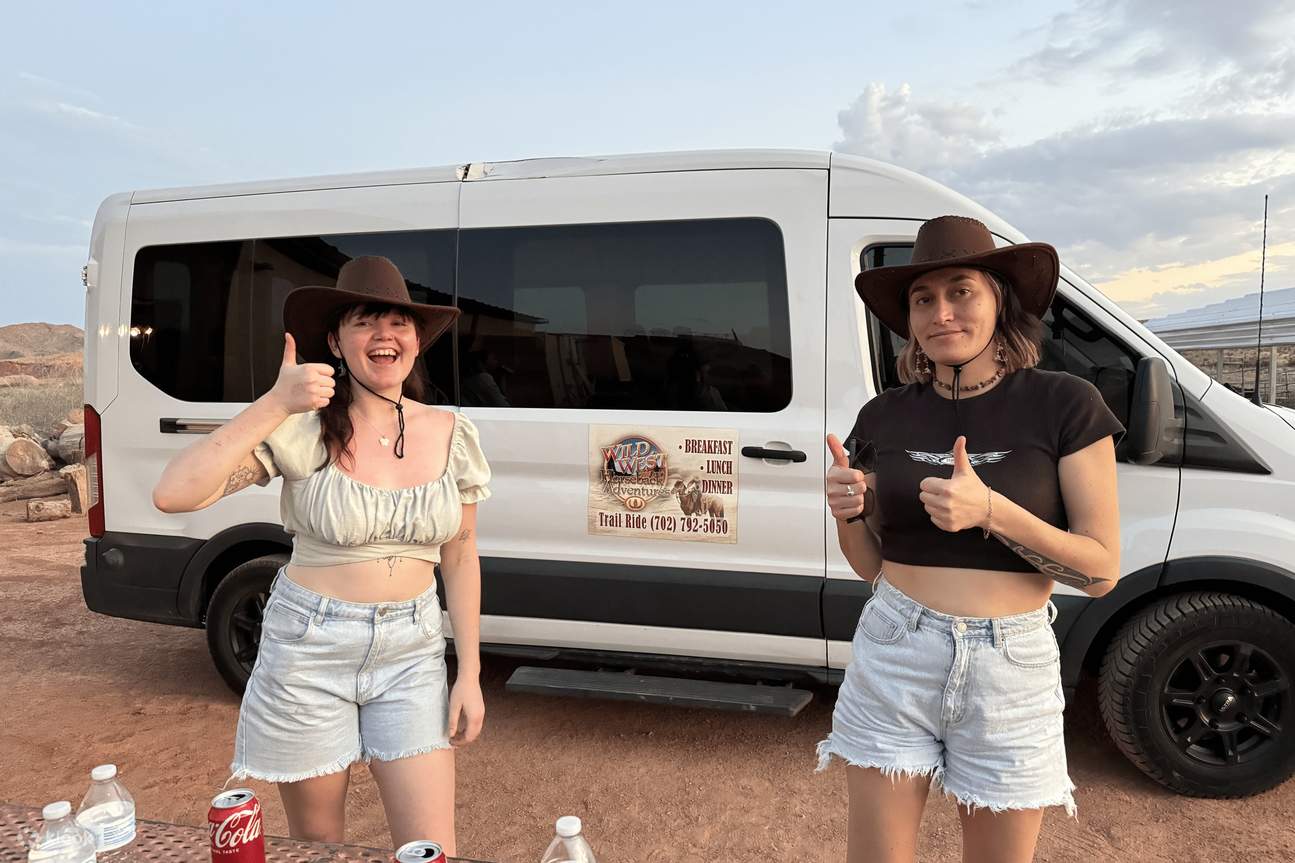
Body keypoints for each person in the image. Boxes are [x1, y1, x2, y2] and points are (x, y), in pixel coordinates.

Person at [152, 256, 490, 856]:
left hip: (412, 651)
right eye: (365, 321)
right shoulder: (302, 429)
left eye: (398, 323)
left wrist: (470, 672)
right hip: (308, 649)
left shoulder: (451, 432)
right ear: (335, 341)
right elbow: (174, 493)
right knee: (318, 846)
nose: (384, 335)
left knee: (432, 849)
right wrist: (273, 405)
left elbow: (460, 553)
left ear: (416, 342)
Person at [817, 216, 1124, 863]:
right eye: (922, 298)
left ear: (998, 301)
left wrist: (991, 509)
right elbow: (869, 565)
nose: (941, 312)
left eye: (961, 291)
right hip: (895, 646)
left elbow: (1099, 571)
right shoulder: (884, 414)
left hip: (1007, 665)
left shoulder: (1065, 404)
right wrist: (847, 510)